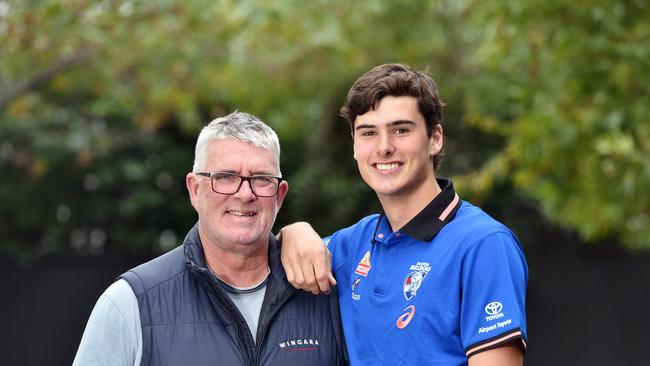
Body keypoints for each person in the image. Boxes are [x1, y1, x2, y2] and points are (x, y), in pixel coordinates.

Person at [280, 64, 528, 365]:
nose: (384, 147)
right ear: (355, 146)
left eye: (400, 130)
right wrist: (294, 231)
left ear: (434, 138)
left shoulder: (483, 244)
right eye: (369, 133)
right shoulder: (351, 246)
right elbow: (277, 257)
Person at [73, 112, 348, 366]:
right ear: (194, 189)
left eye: (261, 179)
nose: (245, 194)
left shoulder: (329, 292)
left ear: (279, 195)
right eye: (226, 177)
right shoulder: (131, 302)